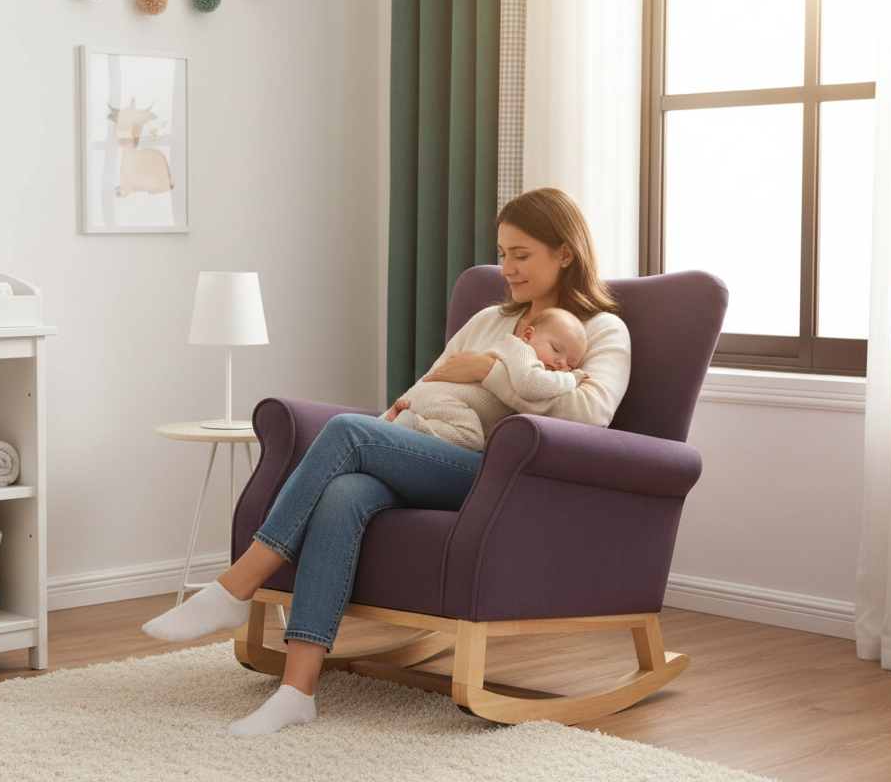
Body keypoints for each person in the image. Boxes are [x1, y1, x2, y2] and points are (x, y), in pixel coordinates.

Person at [142, 187, 632, 736]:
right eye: (502, 253)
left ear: (564, 253)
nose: (506, 269)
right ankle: (296, 690)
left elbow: (590, 416)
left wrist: (489, 373)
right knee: (343, 492)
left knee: (349, 430)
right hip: (437, 448)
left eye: (521, 255)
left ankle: (235, 588)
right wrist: (395, 424)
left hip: (501, 478)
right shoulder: (491, 319)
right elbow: (431, 385)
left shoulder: (603, 329)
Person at [391, 306, 589, 451]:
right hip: (442, 400)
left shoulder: (521, 354)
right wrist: (572, 378)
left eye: (570, 364)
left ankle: (396, 427)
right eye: (555, 349)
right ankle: (411, 425)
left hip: (433, 400)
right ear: (528, 335)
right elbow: (530, 385)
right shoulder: (521, 349)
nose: (560, 363)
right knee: (472, 439)